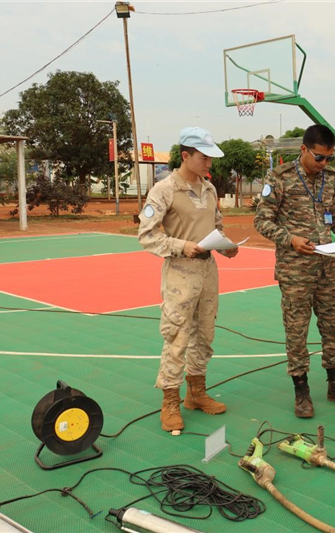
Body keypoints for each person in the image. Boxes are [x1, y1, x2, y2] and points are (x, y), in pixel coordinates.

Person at [254, 124, 335, 418]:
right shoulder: (279, 179)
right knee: (297, 331)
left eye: (328, 158)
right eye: (318, 157)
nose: (324, 164)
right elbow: (262, 221)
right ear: (303, 150)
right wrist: (290, 239)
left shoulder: (330, 179)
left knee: (334, 327)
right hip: (295, 271)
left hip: (327, 268)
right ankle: (301, 390)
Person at [138, 127, 239, 432]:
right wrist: (182, 246)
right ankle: (170, 400)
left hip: (208, 271)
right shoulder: (164, 190)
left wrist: (226, 246)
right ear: (185, 155)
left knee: (205, 335)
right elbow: (147, 236)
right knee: (177, 337)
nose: (210, 163)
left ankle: (196, 392)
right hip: (181, 271)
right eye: (204, 157)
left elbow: (216, 225)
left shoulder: (209, 189)